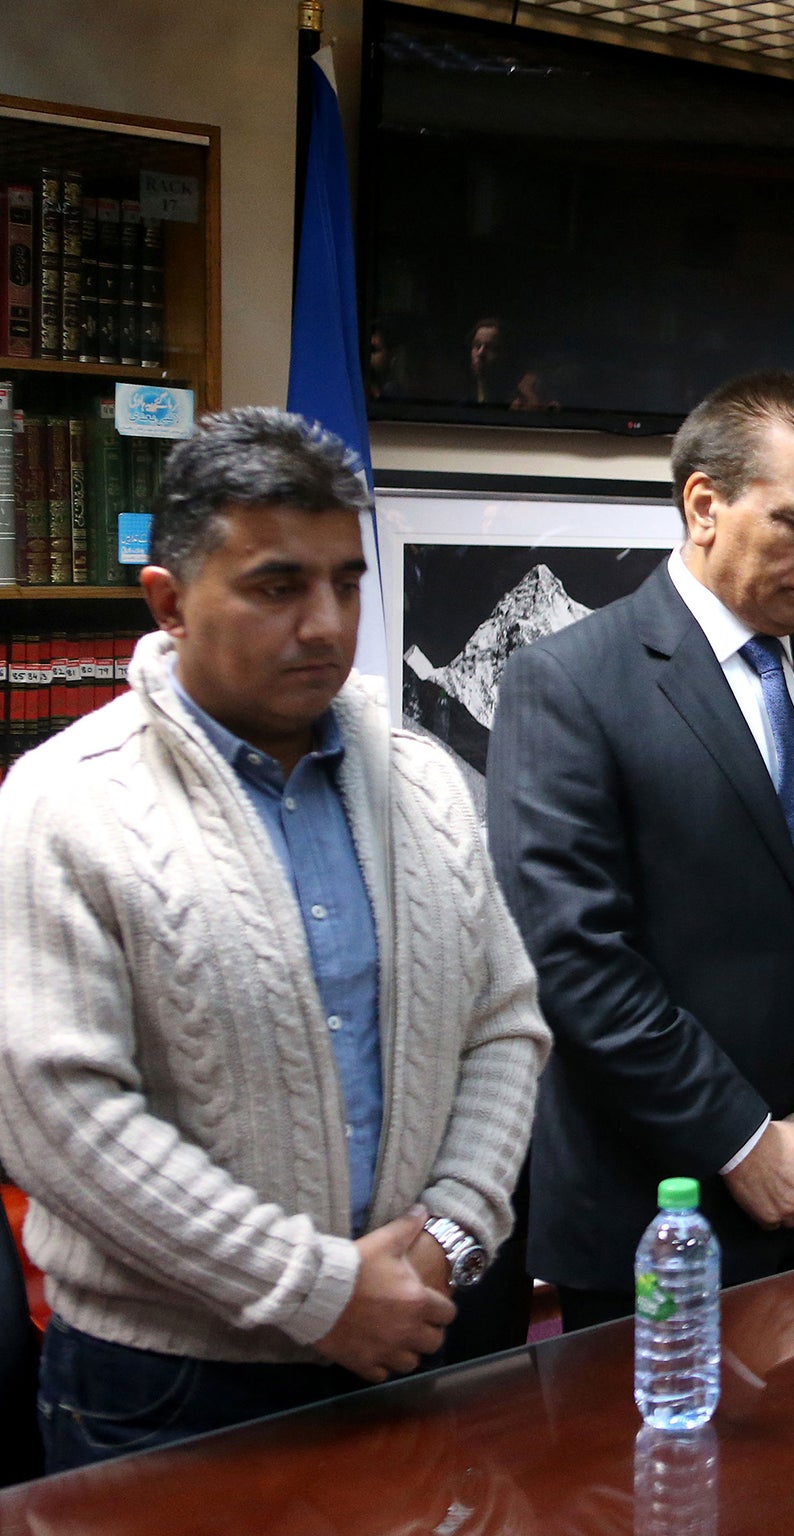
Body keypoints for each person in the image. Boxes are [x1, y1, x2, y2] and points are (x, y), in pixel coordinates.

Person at [0, 408, 550, 1472]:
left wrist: (448, 1236)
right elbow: (58, 1113)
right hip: (171, 1389)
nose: (325, 625)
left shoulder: (422, 778)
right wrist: (319, 1292)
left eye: (346, 582)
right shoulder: (61, 805)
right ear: (167, 603)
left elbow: (503, 1021)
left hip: (418, 1333)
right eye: (276, 586)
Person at [487, 370, 794, 1322]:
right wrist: (743, 1140)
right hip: (660, 1213)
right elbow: (575, 959)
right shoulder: (570, 684)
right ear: (705, 505)